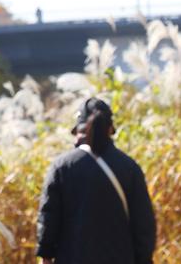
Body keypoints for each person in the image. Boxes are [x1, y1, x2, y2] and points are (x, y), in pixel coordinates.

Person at [36, 97, 156, 263]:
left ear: (79, 130)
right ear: (110, 129)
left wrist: (46, 255)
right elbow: (144, 225)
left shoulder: (62, 167)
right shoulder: (129, 168)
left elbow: (48, 218)